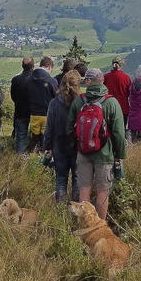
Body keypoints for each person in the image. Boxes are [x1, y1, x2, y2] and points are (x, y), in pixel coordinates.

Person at [67, 68, 126, 220]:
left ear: (89, 81)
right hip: (105, 154)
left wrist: (77, 145)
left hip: (83, 152)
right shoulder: (111, 102)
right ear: (102, 81)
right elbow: (119, 132)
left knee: (84, 189)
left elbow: (69, 128)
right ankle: (100, 225)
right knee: (103, 191)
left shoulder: (79, 100)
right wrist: (119, 156)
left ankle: (83, 223)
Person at [44, 70, 82, 202]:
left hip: (59, 146)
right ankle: (77, 208)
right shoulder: (81, 103)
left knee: (60, 179)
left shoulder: (54, 103)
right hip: (78, 146)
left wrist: (47, 146)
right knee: (77, 179)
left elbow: (49, 127)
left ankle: (60, 210)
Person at [28, 57, 58, 151]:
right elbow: (56, 98)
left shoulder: (29, 78)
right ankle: (44, 158)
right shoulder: (51, 81)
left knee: (34, 137)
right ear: (49, 67)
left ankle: (32, 155)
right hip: (47, 114)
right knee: (45, 138)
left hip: (34, 113)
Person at [10, 57, 34, 153]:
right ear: (32, 66)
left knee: (21, 136)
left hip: (20, 110)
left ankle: (20, 157)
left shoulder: (16, 80)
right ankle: (34, 154)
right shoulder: (36, 79)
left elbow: (13, 96)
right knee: (36, 135)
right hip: (34, 111)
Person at [104, 57, 132, 128]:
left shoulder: (106, 77)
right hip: (123, 107)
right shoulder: (126, 78)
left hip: (109, 107)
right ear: (121, 65)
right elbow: (129, 93)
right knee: (122, 129)